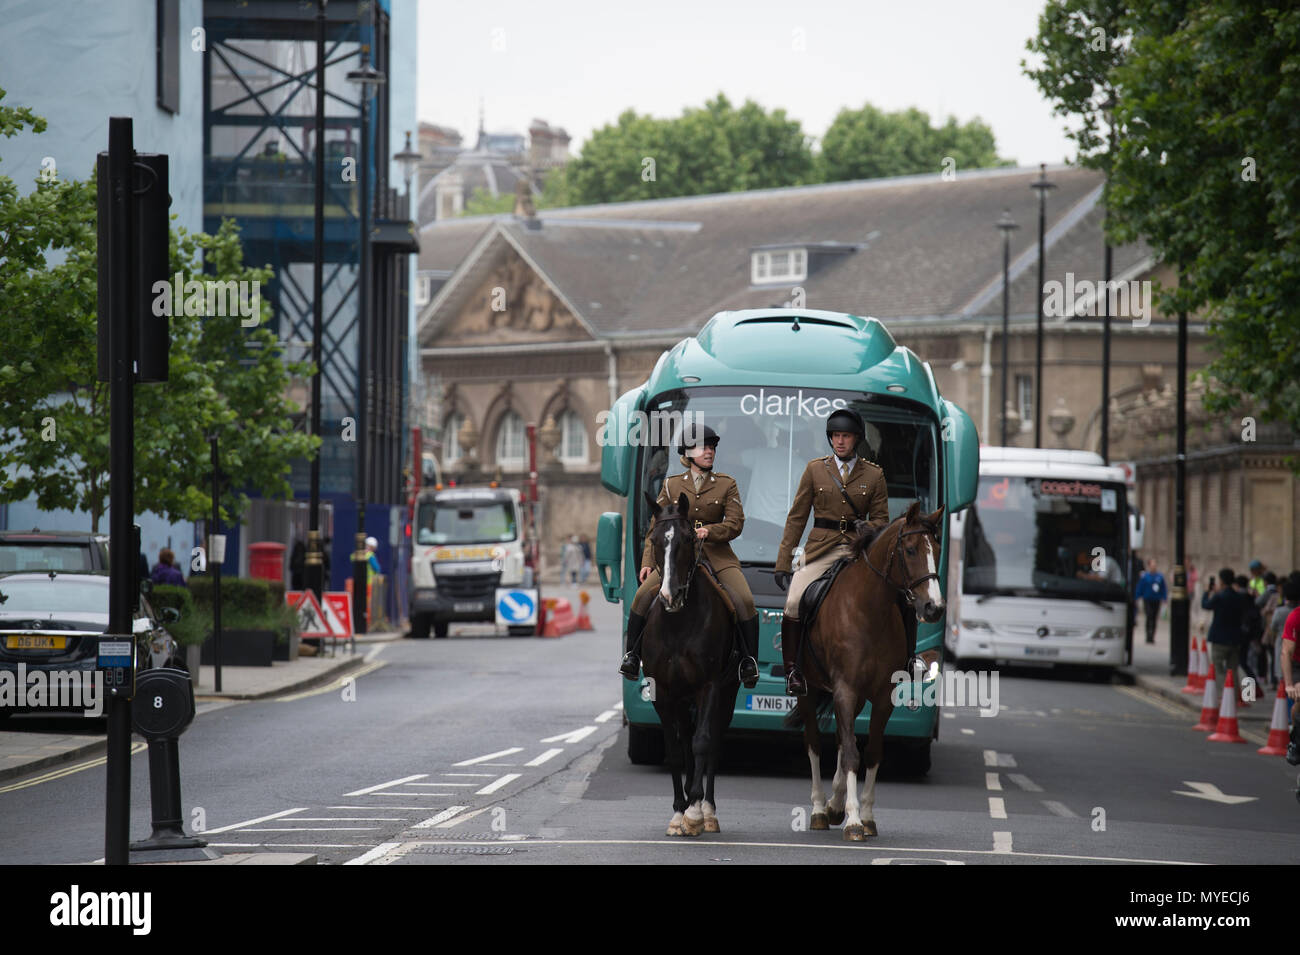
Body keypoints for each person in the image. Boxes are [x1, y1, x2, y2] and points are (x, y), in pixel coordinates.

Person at [619, 424, 760, 688]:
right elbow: (656, 526)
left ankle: (748, 662)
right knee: (640, 597)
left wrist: (711, 531)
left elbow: (736, 523)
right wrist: (649, 562)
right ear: (687, 453)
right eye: (702, 447)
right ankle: (632, 656)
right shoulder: (671, 485)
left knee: (744, 599)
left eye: (711, 447)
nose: (708, 452)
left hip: (716, 555)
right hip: (676, 557)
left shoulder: (727, 484)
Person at [775, 408, 890, 697]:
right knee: (793, 601)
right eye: (836, 436)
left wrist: (867, 527)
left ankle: (906, 659)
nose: (840, 442)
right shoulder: (815, 469)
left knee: (895, 596)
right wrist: (783, 562)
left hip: (857, 548)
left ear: (857, 439)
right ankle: (793, 672)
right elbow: (797, 517)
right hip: (822, 547)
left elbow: (883, 522)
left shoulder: (874, 475)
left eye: (846, 436)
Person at [1201, 567, 1245, 705]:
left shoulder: (1220, 596)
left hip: (1219, 639)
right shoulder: (1238, 597)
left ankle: (1223, 695)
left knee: (1218, 668)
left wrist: (1207, 592)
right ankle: (1235, 696)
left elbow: (1206, 605)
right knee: (1233, 669)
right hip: (1235, 638)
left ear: (1221, 581)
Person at [1278, 574, 1300, 764]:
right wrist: (1290, 684)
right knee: (1299, 702)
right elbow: (1286, 651)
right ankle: (1296, 740)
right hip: (1298, 665)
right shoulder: (1295, 617)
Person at [1134, 558, 1168, 645]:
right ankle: (1148, 635)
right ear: (1149, 566)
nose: (1153, 567)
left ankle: (1152, 635)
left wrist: (1164, 597)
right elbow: (1140, 587)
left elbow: (1163, 588)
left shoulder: (1159, 577)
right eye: (1152, 565)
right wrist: (1137, 596)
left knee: (1154, 617)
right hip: (1147, 599)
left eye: (1155, 565)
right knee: (1149, 616)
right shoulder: (1145, 576)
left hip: (1156, 599)